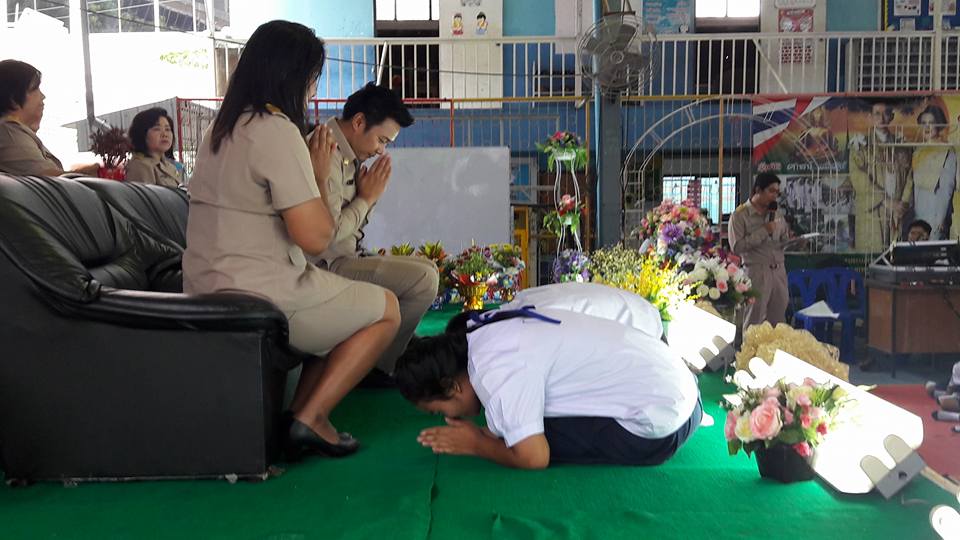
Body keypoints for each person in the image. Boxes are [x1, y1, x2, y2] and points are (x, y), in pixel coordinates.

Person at [182, 21, 400, 460]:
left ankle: (299, 413)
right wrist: (321, 176)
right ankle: (310, 417)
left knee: (343, 296)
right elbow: (317, 239)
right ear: (293, 74)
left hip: (205, 285)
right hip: (261, 291)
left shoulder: (220, 128)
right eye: (313, 77)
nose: (313, 89)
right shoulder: (274, 129)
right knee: (387, 310)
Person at [394, 284, 702, 469]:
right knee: (514, 422)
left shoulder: (494, 370)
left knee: (529, 437)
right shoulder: (485, 327)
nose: (447, 417)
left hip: (663, 429)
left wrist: (476, 443)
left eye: (437, 410)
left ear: (451, 386)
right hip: (686, 391)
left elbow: (533, 457)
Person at [314, 82, 438, 385]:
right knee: (424, 280)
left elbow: (351, 228)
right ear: (359, 122)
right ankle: (380, 366)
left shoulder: (346, 153)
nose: (381, 150)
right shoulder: (325, 152)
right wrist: (366, 199)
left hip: (344, 257)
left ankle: (389, 348)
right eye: (382, 140)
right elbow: (328, 232)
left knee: (428, 268)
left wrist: (367, 200)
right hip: (324, 265)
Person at [0, 59, 98, 177]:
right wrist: (92, 174)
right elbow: (50, 179)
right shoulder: (8, 132)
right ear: (13, 99)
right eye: (35, 89)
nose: (43, 97)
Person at [728, 173, 790, 329]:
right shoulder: (740, 215)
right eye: (771, 191)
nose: (774, 196)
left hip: (779, 271)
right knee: (754, 317)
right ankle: (750, 346)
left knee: (778, 319)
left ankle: (775, 346)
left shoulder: (776, 213)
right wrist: (763, 231)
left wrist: (795, 242)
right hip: (756, 271)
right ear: (758, 190)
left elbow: (783, 238)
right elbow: (737, 247)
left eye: (777, 192)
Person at [849, 102, 912, 250]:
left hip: (897, 211)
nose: (881, 118)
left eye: (886, 113)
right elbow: (858, 177)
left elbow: (910, 176)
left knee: (896, 253)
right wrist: (885, 201)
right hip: (873, 209)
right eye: (877, 113)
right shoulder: (860, 145)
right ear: (870, 117)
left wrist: (902, 204)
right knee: (873, 253)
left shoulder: (901, 145)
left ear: (892, 116)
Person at [905, 105, 956, 240]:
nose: (927, 127)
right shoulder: (917, 151)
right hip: (918, 212)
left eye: (931, 123)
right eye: (924, 123)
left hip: (936, 212)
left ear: (939, 125)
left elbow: (946, 188)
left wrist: (940, 219)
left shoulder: (947, 151)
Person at [125, 108, 182, 188]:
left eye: (168, 129)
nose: (165, 134)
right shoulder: (141, 166)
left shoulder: (170, 166)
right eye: (157, 129)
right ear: (142, 134)